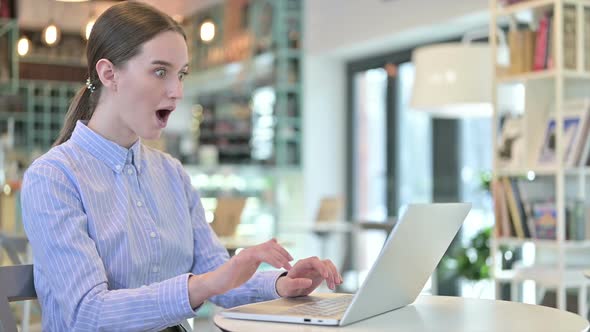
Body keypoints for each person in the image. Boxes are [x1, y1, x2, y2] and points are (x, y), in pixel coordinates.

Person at [20, 2, 342, 331]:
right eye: (160, 71)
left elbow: (215, 270)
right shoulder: (53, 178)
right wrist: (203, 285)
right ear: (109, 74)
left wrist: (282, 284)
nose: (177, 92)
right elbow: (87, 314)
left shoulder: (171, 173)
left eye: (181, 74)